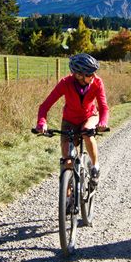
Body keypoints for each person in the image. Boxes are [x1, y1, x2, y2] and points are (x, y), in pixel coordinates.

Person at [35, 53, 109, 185]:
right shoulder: (65, 83)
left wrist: (102, 122)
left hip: (90, 116)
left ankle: (95, 166)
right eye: (90, 73)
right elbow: (44, 106)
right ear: (79, 75)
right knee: (67, 162)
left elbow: (103, 107)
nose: (94, 76)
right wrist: (42, 123)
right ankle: (68, 199)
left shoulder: (97, 82)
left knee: (86, 131)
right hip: (70, 120)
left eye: (94, 72)